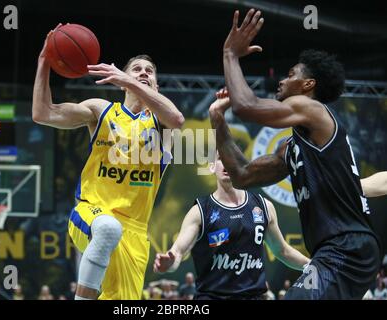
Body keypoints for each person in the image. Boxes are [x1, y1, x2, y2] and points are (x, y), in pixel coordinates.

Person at [209, 8, 381, 299]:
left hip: (346, 246)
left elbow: (246, 105)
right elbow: (242, 175)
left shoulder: (313, 110)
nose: (282, 80)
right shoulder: (292, 147)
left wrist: (230, 55)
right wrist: (218, 122)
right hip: (335, 250)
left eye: (290, 75)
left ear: (308, 85)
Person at [32, 27, 184, 300]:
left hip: (135, 234)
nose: (144, 73)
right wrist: (45, 60)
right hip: (91, 211)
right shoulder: (101, 111)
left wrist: (131, 80)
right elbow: (43, 113)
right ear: (123, 81)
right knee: (107, 227)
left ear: (157, 87)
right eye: (136, 69)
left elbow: (177, 119)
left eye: (149, 72)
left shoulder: (161, 124)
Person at [153, 138, 310, 300]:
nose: (227, 163)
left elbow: (282, 251)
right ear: (212, 166)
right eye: (221, 158)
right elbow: (178, 252)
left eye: (232, 159)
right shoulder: (199, 211)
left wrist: (312, 266)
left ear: (241, 166)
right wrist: (170, 262)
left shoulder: (264, 207)